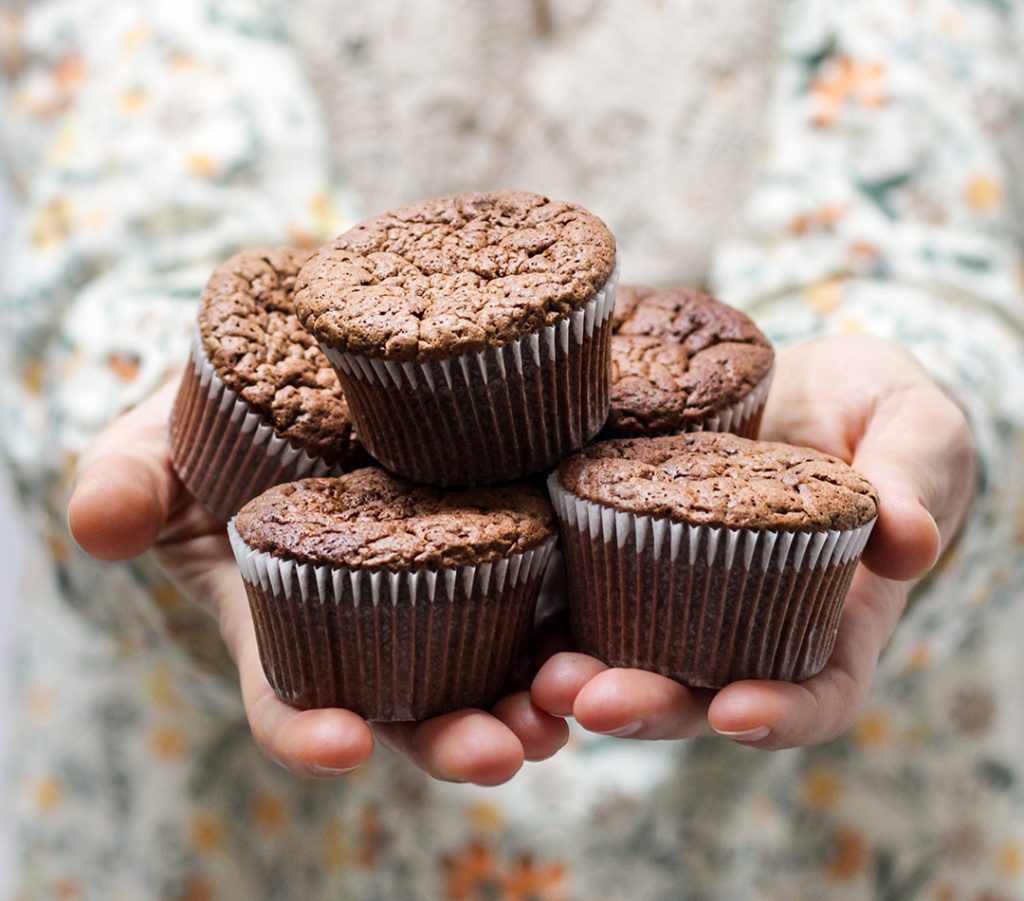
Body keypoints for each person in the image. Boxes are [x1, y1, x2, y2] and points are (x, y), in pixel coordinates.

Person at [2, 0, 1022, 897]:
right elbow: (129, 205)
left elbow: (928, 221)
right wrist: (153, 388)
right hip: (237, 832)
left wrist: (926, 375)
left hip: (826, 832)